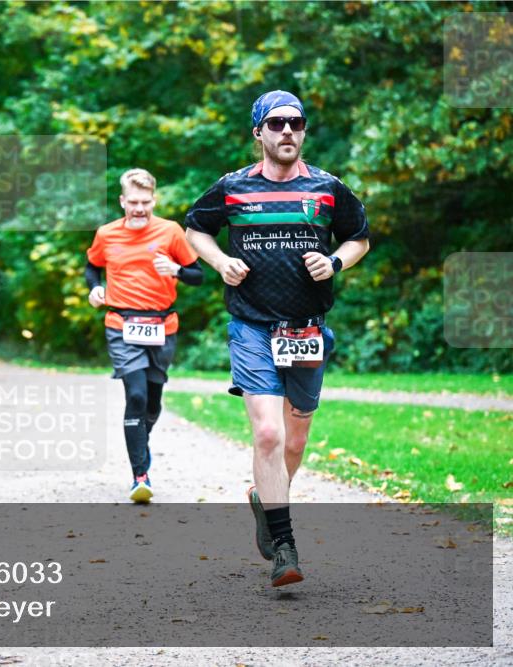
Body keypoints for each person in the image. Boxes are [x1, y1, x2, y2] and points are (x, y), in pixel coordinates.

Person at [184, 90, 370, 587]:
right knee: (268, 433)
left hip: (307, 329)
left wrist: (333, 261)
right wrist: (221, 261)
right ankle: (284, 548)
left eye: (296, 123)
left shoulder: (329, 188)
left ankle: (264, 500)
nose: (287, 131)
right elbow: (195, 230)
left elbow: (360, 238)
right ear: (258, 134)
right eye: (276, 124)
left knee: (296, 437)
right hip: (251, 325)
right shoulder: (232, 188)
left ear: (304, 131)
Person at [85, 168, 204, 503]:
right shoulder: (106, 234)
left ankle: (139, 437)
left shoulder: (170, 232)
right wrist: (95, 287)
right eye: (133, 202)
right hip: (121, 324)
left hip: (162, 326)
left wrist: (177, 270)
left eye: (145, 202)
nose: (139, 208)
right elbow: (91, 266)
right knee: (135, 396)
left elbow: (198, 275)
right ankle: (140, 476)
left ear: (154, 199)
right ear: (122, 201)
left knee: (152, 401)